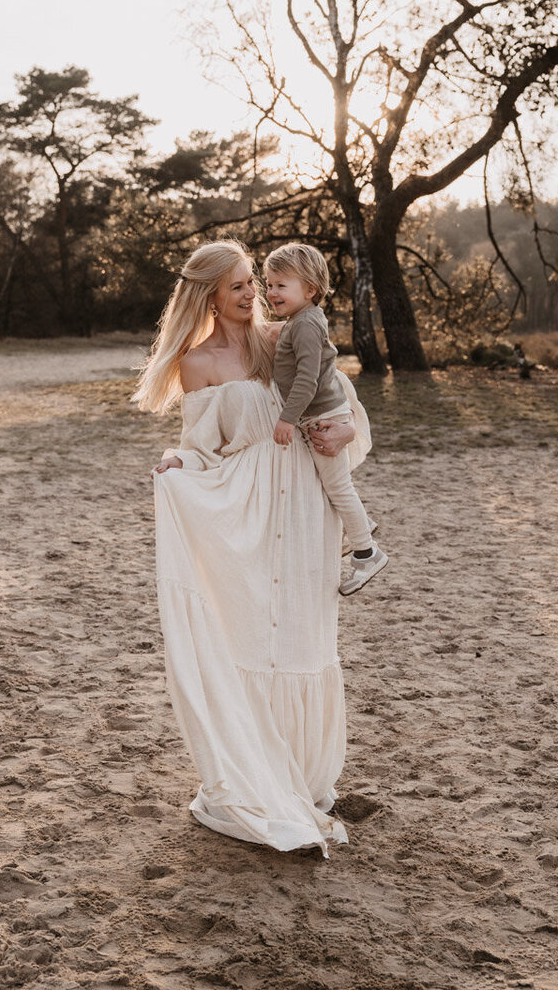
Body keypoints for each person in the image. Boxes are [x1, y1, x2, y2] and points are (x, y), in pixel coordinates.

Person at [132, 239, 372, 856]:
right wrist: (177, 462)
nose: (251, 293)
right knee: (250, 637)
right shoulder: (197, 362)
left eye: (252, 281)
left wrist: (347, 427)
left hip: (307, 507)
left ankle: (307, 776)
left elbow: (344, 408)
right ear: (209, 293)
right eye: (237, 285)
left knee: (303, 635)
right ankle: (254, 770)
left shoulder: (287, 335)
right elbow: (203, 444)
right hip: (249, 509)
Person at [264, 242, 387, 596]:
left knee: (337, 486)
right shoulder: (302, 319)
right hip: (319, 413)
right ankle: (359, 527)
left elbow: (307, 379)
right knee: (332, 483)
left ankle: (366, 553)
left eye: (281, 285)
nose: (271, 292)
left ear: (310, 289)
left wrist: (288, 418)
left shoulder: (303, 326)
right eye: (269, 284)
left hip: (320, 416)